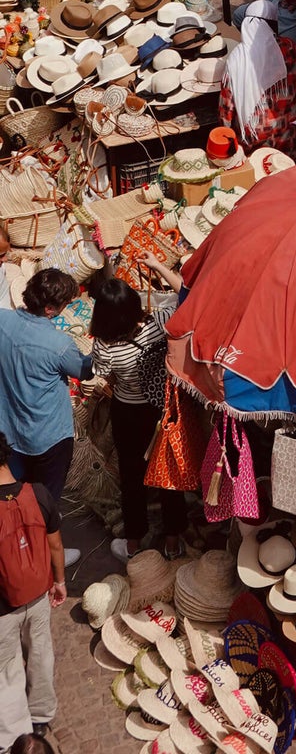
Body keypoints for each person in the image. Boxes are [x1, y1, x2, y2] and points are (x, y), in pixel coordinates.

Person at [87, 276, 187, 562]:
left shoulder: (104, 346)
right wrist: (157, 267)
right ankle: (172, 541)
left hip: (127, 413)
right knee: (168, 474)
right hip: (161, 409)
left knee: (132, 477)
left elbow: (105, 375)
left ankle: (133, 544)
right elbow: (187, 296)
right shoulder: (157, 325)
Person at [0, 268, 88, 518]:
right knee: (44, 503)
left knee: (13, 496)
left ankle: (18, 546)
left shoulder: (2, 322)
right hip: (47, 437)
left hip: (9, 432)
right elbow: (84, 371)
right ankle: (46, 551)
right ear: (50, 308)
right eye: (64, 305)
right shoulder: (59, 344)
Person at [0, 430, 66, 749]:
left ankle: (15, 735)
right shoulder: (38, 493)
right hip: (39, 594)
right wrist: (60, 581)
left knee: (7, 668)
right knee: (41, 652)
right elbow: (55, 544)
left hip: (3, 608)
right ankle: (41, 717)